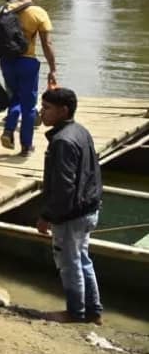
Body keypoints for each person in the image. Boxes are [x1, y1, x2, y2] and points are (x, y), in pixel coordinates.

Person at [36, 88, 102, 325]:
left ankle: (75, 312)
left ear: (63, 111)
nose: (41, 113)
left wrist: (47, 216)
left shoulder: (63, 141)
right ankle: (93, 311)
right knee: (82, 259)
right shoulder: (80, 131)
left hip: (71, 214)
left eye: (47, 109)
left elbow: (64, 187)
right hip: (88, 208)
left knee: (69, 263)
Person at [0, 0, 57, 157]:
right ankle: (26, 146)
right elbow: (47, 44)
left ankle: (9, 129)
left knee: (15, 99)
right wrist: (53, 68)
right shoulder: (39, 13)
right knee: (28, 105)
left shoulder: (4, 9)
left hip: (6, 62)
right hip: (27, 62)